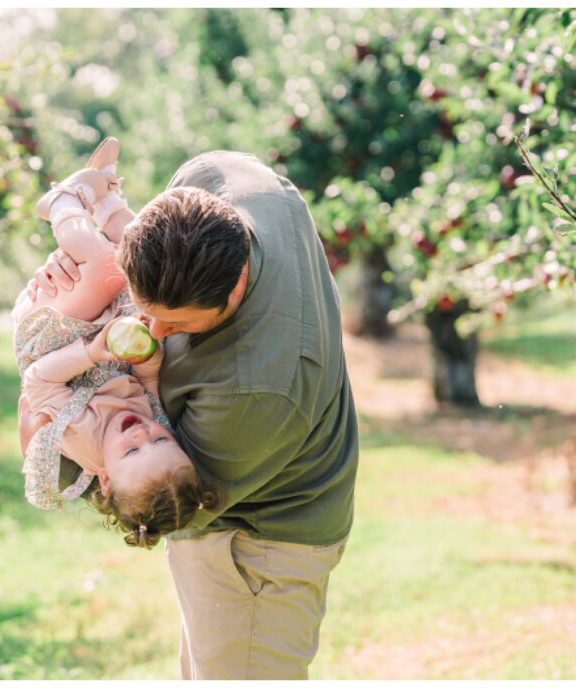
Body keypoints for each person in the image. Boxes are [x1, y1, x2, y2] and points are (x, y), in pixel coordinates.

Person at [26, 146, 359, 679]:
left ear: (236, 287)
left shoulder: (252, 392)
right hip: (236, 542)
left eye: (177, 326)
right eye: (148, 312)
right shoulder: (230, 180)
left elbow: (166, 498)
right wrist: (80, 287)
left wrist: (49, 433)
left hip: (254, 550)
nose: (154, 335)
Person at [12, 139, 222, 548]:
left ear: (105, 480)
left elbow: (37, 381)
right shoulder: (153, 421)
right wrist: (145, 353)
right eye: (160, 441)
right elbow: (147, 378)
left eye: (132, 453)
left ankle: (63, 200)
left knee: (108, 267)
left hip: (51, 339)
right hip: (104, 330)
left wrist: (93, 351)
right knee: (149, 269)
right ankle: (107, 196)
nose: (142, 435)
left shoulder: (80, 436)